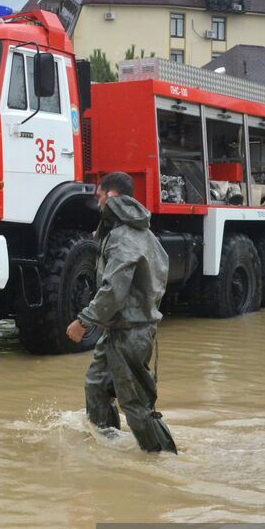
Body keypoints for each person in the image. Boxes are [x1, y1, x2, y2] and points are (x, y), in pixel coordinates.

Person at [66, 172, 177, 454]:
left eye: (99, 196)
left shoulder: (124, 236)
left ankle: (163, 460)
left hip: (130, 331)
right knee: (96, 386)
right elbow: (161, 271)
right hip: (120, 329)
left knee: (135, 403)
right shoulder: (143, 233)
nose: (97, 202)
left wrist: (84, 321)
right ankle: (108, 447)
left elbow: (114, 287)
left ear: (112, 196)